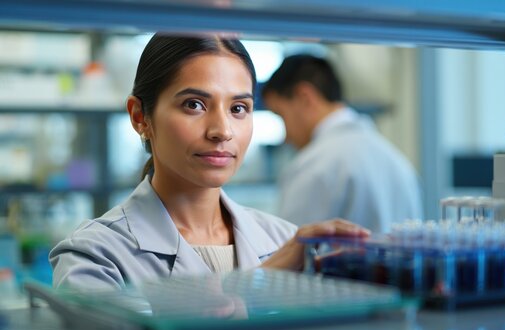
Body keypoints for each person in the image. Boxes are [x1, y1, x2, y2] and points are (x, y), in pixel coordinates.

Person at [49, 35, 369, 290]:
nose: (222, 131)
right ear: (139, 117)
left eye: (238, 108)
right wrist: (260, 283)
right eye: (194, 104)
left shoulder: (282, 239)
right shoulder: (95, 256)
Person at [262, 54, 422, 233]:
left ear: (305, 97)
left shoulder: (314, 165)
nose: (286, 138)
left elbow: (287, 251)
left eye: (281, 115)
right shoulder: (397, 159)